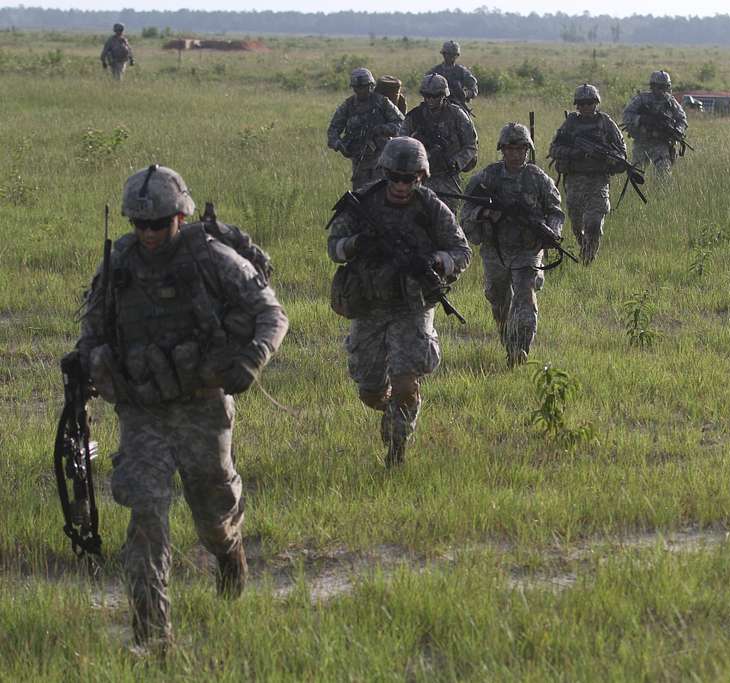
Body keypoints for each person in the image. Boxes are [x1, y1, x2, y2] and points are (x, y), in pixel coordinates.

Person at [74, 165, 288, 648]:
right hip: (142, 411)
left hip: (201, 405)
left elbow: (271, 313)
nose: (149, 234)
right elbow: (92, 326)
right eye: (139, 224)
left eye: (159, 223)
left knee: (213, 516)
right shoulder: (121, 260)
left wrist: (252, 360)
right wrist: (89, 363)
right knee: (146, 515)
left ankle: (229, 557)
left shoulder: (210, 256)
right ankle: (153, 637)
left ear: (180, 216)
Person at [327, 137, 471, 466]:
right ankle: (388, 408)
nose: (402, 185)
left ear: (421, 176)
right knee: (369, 389)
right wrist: (358, 244)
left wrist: (436, 261)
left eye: (410, 179)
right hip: (370, 302)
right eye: (395, 177)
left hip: (413, 304)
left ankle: (397, 449)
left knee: (406, 382)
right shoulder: (363, 202)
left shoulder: (432, 207)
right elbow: (333, 247)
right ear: (385, 173)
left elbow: (462, 252)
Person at [462, 123, 564, 368]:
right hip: (495, 249)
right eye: (510, 148)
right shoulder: (488, 176)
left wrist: (552, 232)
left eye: (521, 149)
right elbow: (466, 210)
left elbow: (556, 212)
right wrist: (486, 213)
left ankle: (520, 352)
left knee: (526, 300)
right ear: (502, 150)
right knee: (498, 300)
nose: (516, 153)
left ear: (527, 150)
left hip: (528, 250)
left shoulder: (538, 178)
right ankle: (508, 339)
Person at [548, 83, 627, 265]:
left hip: (598, 181)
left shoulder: (605, 123)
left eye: (589, 103)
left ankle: (588, 260)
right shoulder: (570, 124)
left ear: (596, 103)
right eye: (581, 103)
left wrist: (609, 158)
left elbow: (622, 152)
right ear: (577, 105)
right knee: (577, 226)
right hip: (575, 181)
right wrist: (574, 153)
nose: (585, 107)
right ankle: (585, 248)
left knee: (594, 224)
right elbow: (554, 149)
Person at [399, 74, 478, 213]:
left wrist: (456, 162)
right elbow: (400, 144)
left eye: (434, 96)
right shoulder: (414, 117)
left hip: (447, 178)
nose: (429, 99)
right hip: (419, 178)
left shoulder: (457, 115)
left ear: (443, 95)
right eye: (426, 95)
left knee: (448, 221)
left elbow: (471, 145)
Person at [327, 68, 404, 190]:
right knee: (360, 197)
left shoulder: (382, 102)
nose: (360, 91)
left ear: (371, 86)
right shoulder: (348, 105)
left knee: (382, 193)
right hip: (360, 162)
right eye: (357, 88)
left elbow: (401, 124)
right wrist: (339, 145)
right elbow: (333, 130)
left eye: (363, 87)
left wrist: (382, 129)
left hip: (382, 159)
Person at [622, 70, 689, 177]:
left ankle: (662, 193)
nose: (662, 90)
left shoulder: (670, 101)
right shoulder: (642, 99)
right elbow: (626, 116)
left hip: (661, 143)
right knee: (635, 175)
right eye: (659, 87)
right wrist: (641, 119)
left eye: (665, 87)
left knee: (664, 175)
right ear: (652, 86)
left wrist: (678, 130)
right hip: (642, 142)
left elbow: (682, 119)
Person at [427, 41, 479, 114]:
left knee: (468, 123)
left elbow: (474, 89)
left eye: (453, 55)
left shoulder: (462, 72)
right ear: (444, 54)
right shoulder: (435, 71)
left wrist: (465, 94)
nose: (450, 57)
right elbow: (424, 88)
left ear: (457, 56)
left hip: (458, 108)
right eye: (448, 54)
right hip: (435, 108)